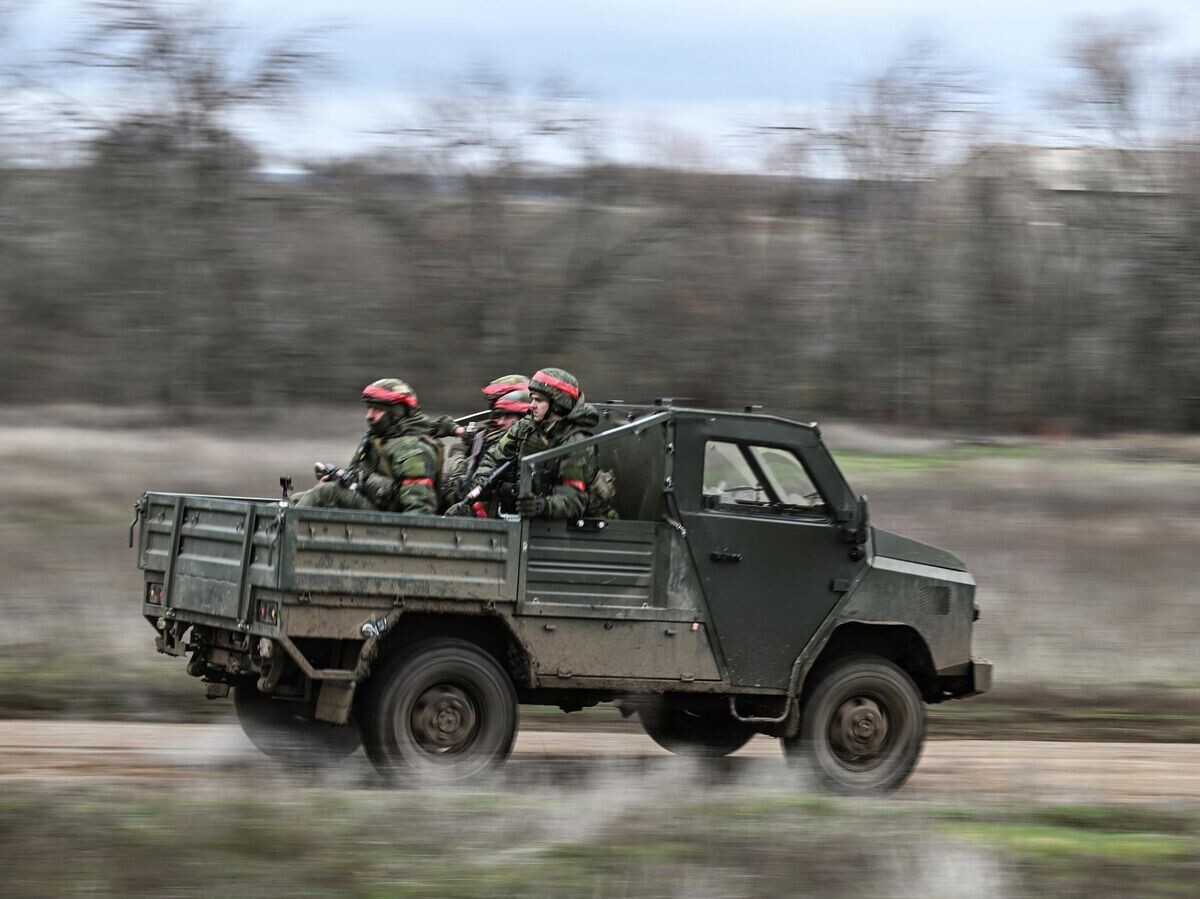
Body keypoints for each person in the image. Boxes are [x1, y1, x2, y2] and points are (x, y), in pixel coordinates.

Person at [455, 367, 609, 520]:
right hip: (512, 515)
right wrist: (481, 481)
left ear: (557, 404)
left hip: (547, 527)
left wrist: (541, 506)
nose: (532, 405)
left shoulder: (576, 442)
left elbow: (572, 501)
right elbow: (494, 457)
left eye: (539, 400)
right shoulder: (526, 426)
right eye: (532, 399)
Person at [291, 378, 438, 514]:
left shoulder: (411, 450)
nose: (369, 416)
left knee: (326, 493)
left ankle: (288, 530)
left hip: (390, 521)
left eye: (377, 409)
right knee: (295, 500)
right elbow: (361, 479)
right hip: (373, 505)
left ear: (396, 412)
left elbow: (420, 509)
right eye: (369, 408)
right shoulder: (378, 440)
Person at [439, 384, 532, 513]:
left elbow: (466, 488)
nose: (499, 421)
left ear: (523, 418)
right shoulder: (497, 441)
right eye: (499, 414)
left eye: (507, 416)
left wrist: (458, 451)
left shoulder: (520, 444)